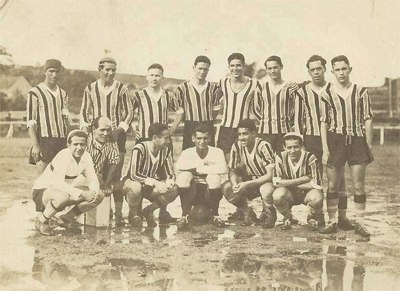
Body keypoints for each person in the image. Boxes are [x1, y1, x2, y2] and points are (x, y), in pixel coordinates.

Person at [294, 55, 353, 231]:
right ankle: (317, 216)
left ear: (325, 69)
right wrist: (300, 143)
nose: (316, 72)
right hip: (311, 140)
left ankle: (341, 217)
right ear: (309, 72)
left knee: (338, 180)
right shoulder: (302, 92)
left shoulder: (334, 88)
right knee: (315, 180)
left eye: (319, 68)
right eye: (312, 70)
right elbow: (297, 120)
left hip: (333, 139)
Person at [319, 55, 374, 237]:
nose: (341, 72)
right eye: (337, 69)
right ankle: (332, 221)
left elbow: (367, 119)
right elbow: (324, 123)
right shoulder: (327, 93)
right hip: (335, 141)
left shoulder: (361, 91)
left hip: (357, 140)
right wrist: (326, 148)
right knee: (333, 185)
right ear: (332, 71)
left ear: (350, 69)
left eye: (344, 68)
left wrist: (369, 144)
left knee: (358, 185)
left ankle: (361, 223)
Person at [79, 57, 134, 225]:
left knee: (115, 175)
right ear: (100, 69)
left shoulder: (122, 88)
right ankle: (98, 210)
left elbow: (129, 111)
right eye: (107, 69)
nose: (110, 73)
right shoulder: (90, 88)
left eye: (113, 70)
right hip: (96, 136)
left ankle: (118, 214)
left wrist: (120, 129)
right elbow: (84, 111)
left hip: (116, 135)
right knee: (95, 173)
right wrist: (86, 130)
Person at [132, 63, 182, 222]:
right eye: (151, 75)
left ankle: (162, 212)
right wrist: (134, 130)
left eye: (157, 75)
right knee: (140, 174)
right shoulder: (139, 95)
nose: (154, 78)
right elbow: (126, 113)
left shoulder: (168, 96)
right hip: (144, 139)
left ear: (162, 78)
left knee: (165, 175)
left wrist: (172, 129)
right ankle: (137, 213)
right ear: (147, 77)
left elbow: (180, 111)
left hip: (163, 139)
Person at [32, 130, 103, 236]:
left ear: (86, 145)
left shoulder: (86, 157)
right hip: (42, 191)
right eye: (75, 144)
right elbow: (58, 184)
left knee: (99, 195)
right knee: (62, 197)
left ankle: (66, 218)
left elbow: (92, 179)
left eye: (82, 144)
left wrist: (94, 191)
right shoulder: (63, 156)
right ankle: (42, 221)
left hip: (64, 191)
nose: (79, 148)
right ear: (68, 145)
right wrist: (82, 193)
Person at [123, 123, 178, 228]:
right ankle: (133, 214)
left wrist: (169, 183)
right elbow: (134, 175)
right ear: (154, 138)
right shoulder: (139, 148)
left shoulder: (166, 151)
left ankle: (149, 210)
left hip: (148, 185)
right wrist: (156, 183)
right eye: (166, 138)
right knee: (136, 187)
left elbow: (171, 174)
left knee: (174, 189)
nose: (168, 141)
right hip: (131, 182)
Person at [221, 119, 275, 226]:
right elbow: (232, 170)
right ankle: (247, 211)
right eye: (239, 134)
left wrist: (246, 184)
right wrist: (235, 182)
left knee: (266, 190)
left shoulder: (263, 146)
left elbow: (271, 175)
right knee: (227, 187)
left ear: (254, 133)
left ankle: (269, 212)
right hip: (251, 180)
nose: (242, 137)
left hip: (266, 181)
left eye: (245, 134)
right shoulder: (237, 146)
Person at [175, 124, 228, 230]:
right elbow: (179, 167)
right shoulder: (187, 152)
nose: (202, 141)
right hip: (192, 191)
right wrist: (205, 166)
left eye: (205, 138)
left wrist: (197, 169)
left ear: (210, 138)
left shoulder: (217, 152)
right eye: (199, 138)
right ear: (193, 138)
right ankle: (184, 216)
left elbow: (223, 169)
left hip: (210, 192)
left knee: (213, 178)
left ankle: (215, 215)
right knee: (184, 177)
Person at [271, 132, 325, 230]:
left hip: (307, 193)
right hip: (290, 194)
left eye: (296, 147)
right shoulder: (280, 157)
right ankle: (288, 217)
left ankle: (312, 217)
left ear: (301, 146)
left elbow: (317, 185)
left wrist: (287, 183)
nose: (292, 151)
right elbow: (276, 183)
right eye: (289, 147)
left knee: (317, 197)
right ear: (284, 147)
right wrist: (303, 179)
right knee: (277, 195)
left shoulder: (310, 157)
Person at [26, 59, 69, 174]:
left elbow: (65, 120)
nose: (54, 75)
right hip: (44, 140)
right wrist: (35, 145)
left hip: (61, 140)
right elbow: (31, 121)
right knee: (43, 181)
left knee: (60, 179)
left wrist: (68, 140)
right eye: (51, 71)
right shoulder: (35, 92)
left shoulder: (63, 93)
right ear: (44, 71)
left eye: (57, 72)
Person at [216, 53, 262, 157]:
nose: (235, 68)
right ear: (228, 67)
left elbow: (264, 102)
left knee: (243, 161)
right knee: (224, 161)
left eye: (238, 65)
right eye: (232, 66)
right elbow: (212, 102)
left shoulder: (254, 84)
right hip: (225, 129)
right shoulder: (223, 82)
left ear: (243, 67)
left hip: (244, 130)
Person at [175, 56, 220, 150]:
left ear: (208, 70)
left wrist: (206, 119)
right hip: (190, 127)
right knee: (189, 156)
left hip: (207, 126)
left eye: (205, 69)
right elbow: (180, 111)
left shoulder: (214, 88)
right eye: (200, 68)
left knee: (209, 156)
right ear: (193, 67)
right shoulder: (182, 88)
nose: (202, 72)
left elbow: (215, 111)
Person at [258, 55, 297, 152]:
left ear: (281, 67)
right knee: (267, 161)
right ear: (266, 70)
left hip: (284, 131)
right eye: (269, 68)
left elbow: (296, 108)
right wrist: (265, 121)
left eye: (275, 67)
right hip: (266, 131)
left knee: (284, 160)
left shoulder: (290, 87)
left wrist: (288, 121)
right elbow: (255, 108)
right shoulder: (262, 87)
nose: (272, 71)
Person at [86, 116, 120, 199]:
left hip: (98, 178)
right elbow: (82, 166)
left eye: (108, 130)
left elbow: (114, 163)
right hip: (81, 176)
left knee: (116, 185)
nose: (106, 133)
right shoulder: (85, 140)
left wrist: (107, 185)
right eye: (102, 130)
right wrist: (97, 178)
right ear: (94, 129)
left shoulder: (111, 141)